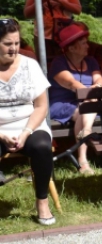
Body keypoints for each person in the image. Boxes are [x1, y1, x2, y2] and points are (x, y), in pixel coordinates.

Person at [0, 18, 56, 225]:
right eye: (8, 43)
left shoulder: (30, 65)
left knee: (42, 146)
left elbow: (41, 106)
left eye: (16, 43)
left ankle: (42, 201)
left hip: (30, 125)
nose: (14, 48)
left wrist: (25, 132)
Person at [48, 24, 102, 175]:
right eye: (84, 43)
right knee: (87, 106)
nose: (88, 45)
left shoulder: (91, 61)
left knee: (86, 106)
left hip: (86, 105)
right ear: (71, 48)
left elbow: (100, 79)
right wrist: (92, 92)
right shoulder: (58, 63)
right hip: (63, 103)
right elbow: (72, 84)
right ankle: (83, 160)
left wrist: (97, 85)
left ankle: (85, 137)